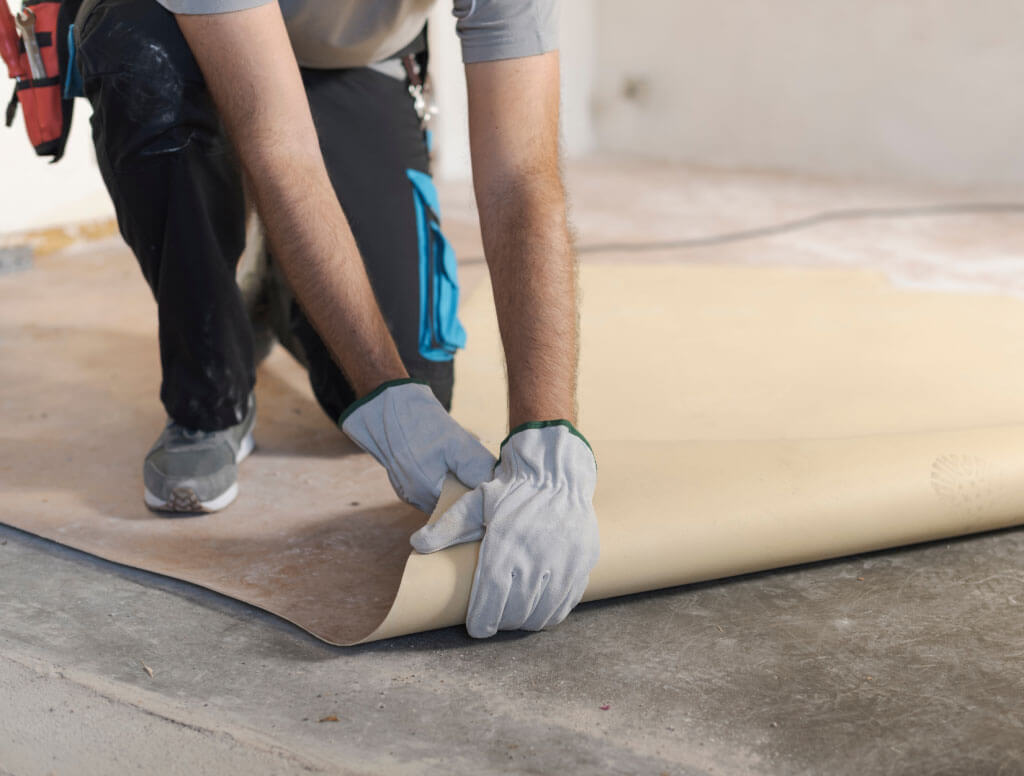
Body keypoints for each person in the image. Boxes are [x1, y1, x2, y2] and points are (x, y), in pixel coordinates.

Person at [73, 0, 598, 638]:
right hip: (179, 36)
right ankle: (211, 384)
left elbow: (521, 174)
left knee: (422, 380)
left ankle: (279, 284)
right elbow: (278, 146)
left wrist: (548, 437)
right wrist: (383, 395)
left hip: (351, 62)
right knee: (139, 59)